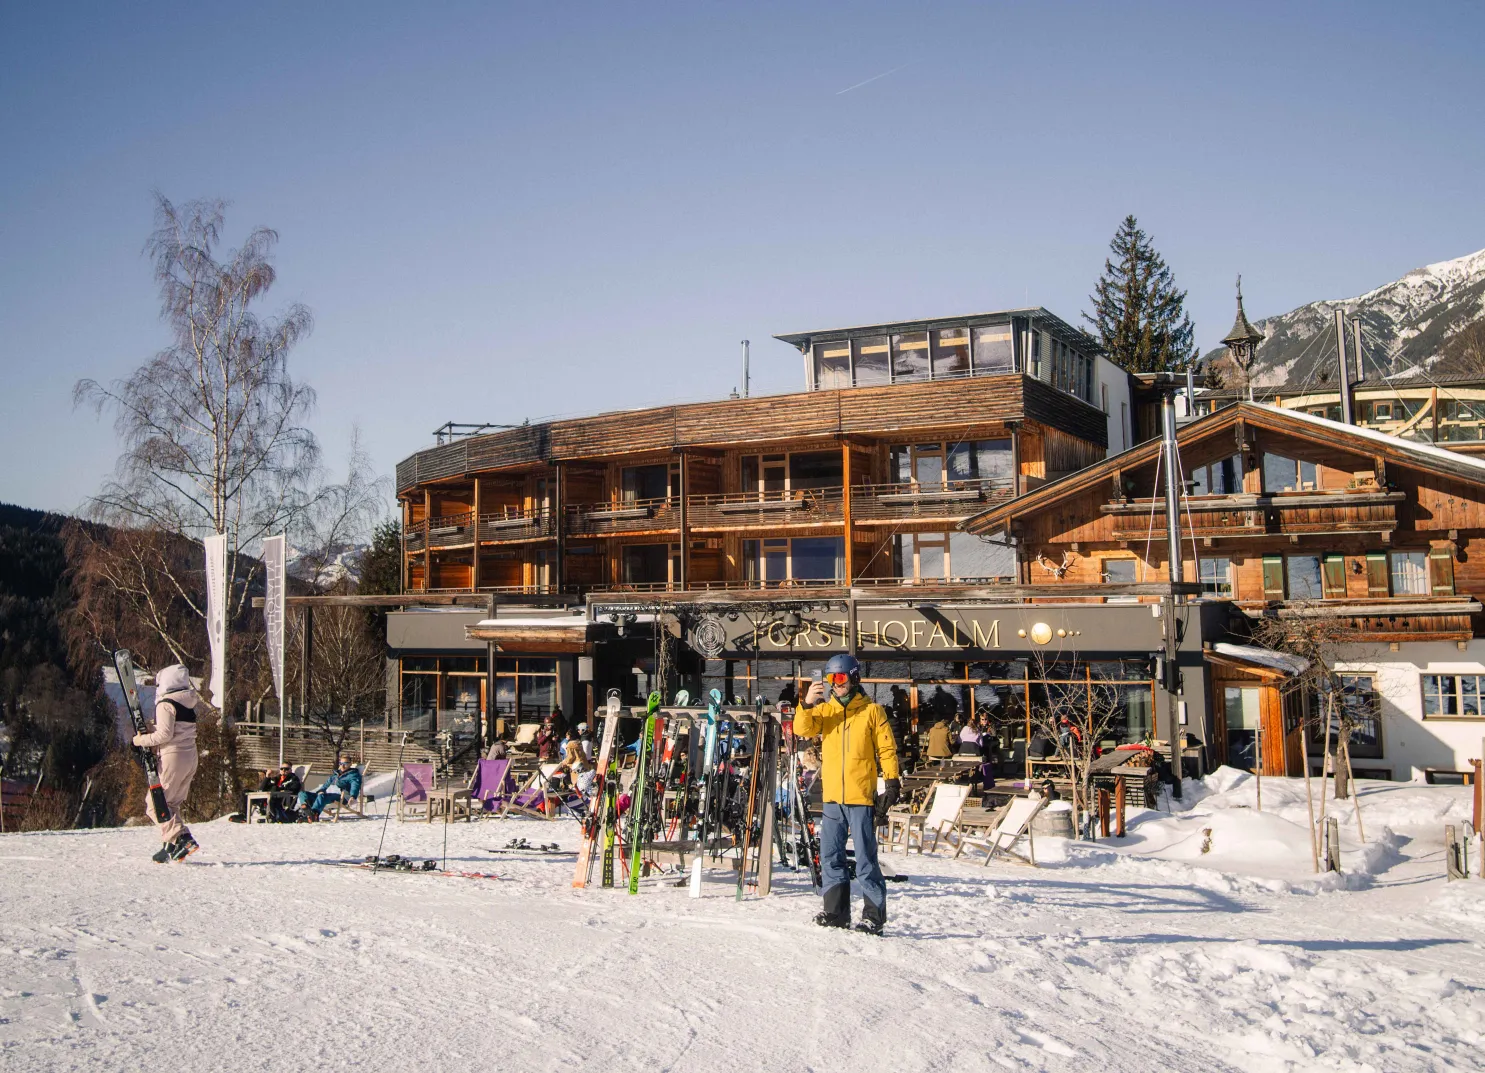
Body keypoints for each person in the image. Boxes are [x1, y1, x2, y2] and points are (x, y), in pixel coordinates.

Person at [793, 654, 900, 935]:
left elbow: (887, 750)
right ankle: (836, 912)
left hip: (861, 797)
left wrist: (891, 783)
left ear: (853, 678)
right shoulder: (825, 711)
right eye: (831, 679)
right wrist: (805, 703)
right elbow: (800, 728)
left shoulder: (872, 711)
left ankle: (873, 916)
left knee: (865, 859)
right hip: (832, 798)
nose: (835, 684)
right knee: (830, 855)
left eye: (840, 678)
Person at [132, 664, 202, 862]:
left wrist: (139, 740)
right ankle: (169, 846)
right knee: (170, 804)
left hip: (173, 756)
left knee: (154, 804)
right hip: (190, 756)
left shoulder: (165, 703)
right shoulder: (187, 702)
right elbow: (175, 728)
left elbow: (164, 734)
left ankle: (183, 838)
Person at [297, 757, 363, 821]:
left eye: (345, 764)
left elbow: (355, 786)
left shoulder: (353, 775)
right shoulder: (337, 774)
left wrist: (353, 796)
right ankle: (306, 808)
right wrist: (322, 790)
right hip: (329, 795)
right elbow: (327, 783)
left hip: (343, 797)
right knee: (302, 793)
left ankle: (314, 814)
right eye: (341, 763)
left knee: (321, 796)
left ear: (350, 764)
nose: (342, 766)